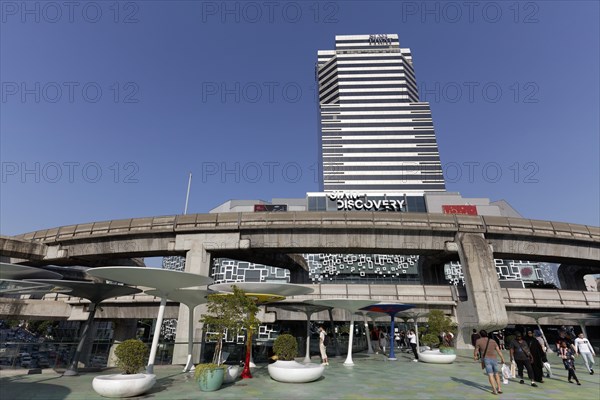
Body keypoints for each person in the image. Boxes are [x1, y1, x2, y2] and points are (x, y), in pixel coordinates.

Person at [474, 330, 506, 395]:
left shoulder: (478, 341)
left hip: (486, 359)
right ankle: (499, 388)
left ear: (480, 335)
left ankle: (494, 390)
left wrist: (475, 356)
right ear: (487, 334)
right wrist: (502, 358)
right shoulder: (493, 341)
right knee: (496, 374)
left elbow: (476, 350)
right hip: (494, 358)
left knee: (490, 374)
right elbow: (498, 350)